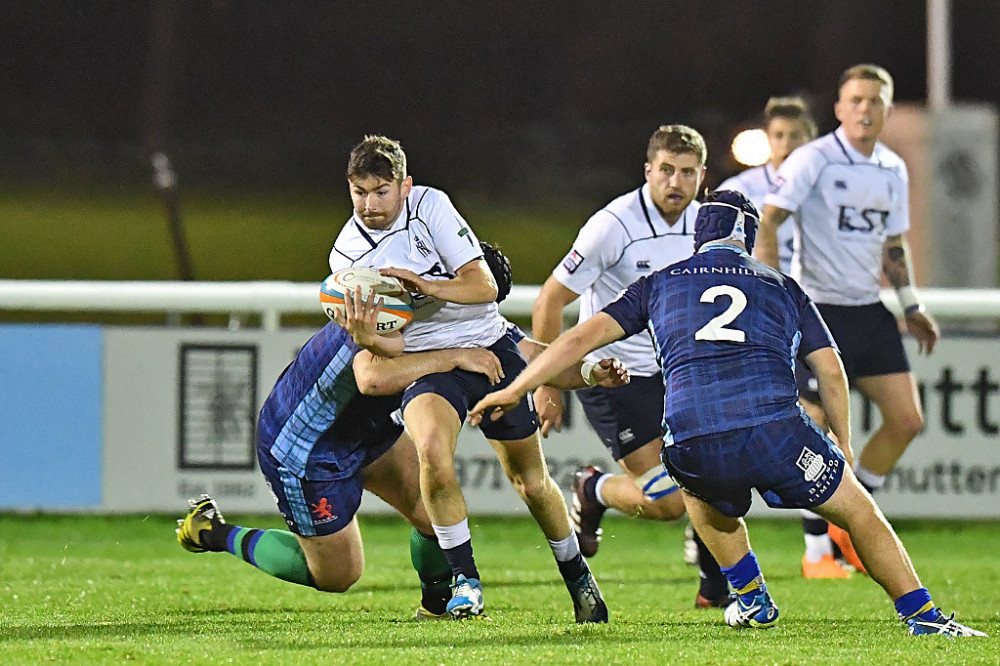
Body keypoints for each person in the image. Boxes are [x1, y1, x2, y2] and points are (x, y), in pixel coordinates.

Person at [468, 190, 986, 637]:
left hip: (695, 439)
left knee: (695, 485)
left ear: (701, 234)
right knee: (859, 514)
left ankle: (751, 596)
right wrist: (844, 444)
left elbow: (578, 337)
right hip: (777, 433)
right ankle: (923, 614)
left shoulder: (660, 282)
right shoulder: (782, 285)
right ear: (749, 237)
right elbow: (830, 372)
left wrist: (519, 388)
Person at [176, 270, 628, 621]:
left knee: (430, 504)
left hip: (367, 431)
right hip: (307, 444)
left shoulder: (461, 313)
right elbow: (372, 377)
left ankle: (436, 609)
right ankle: (214, 532)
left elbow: (528, 353)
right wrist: (455, 357)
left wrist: (589, 372)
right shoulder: (385, 308)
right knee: (338, 574)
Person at [327, 135, 610, 622]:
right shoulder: (346, 260)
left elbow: (485, 288)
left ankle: (576, 573)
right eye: (359, 192)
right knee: (431, 452)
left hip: (490, 345)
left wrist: (426, 287)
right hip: (435, 364)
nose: (369, 205)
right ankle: (466, 581)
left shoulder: (431, 206)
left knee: (530, 482)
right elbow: (389, 350)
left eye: (381, 191)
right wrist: (366, 334)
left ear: (405, 186)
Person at [531, 124, 730, 608]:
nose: (675, 182)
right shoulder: (613, 225)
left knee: (718, 473)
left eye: (686, 172)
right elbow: (550, 301)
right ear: (648, 171)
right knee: (667, 502)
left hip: (678, 373)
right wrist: (547, 386)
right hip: (613, 376)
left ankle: (714, 591)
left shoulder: (707, 224)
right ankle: (593, 489)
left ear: (702, 176)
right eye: (666, 170)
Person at [757, 65, 940, 576]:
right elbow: (769, 219)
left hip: (867, 309)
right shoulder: (814, 159)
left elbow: (893, 245)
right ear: (839, 109)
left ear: (886, 108)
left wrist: (910, 304)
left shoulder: (892, 168)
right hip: (818, 307)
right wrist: (773, 295)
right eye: (855, 100)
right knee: (814, 424)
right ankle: (818, 549)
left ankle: (848, 518)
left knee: (907, 419)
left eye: (875, 101)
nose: (865, 109)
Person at [719, 97, 847, 578]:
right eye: (779, 136)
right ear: (767, 140)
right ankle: (817, 548)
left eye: (797, 137)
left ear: (811, 141)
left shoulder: (828, 188)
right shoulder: (741, 191)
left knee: (823, 423)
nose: (788, 145)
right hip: (753, 323)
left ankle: (821, 546)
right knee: (792, 422)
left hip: (812, 317)